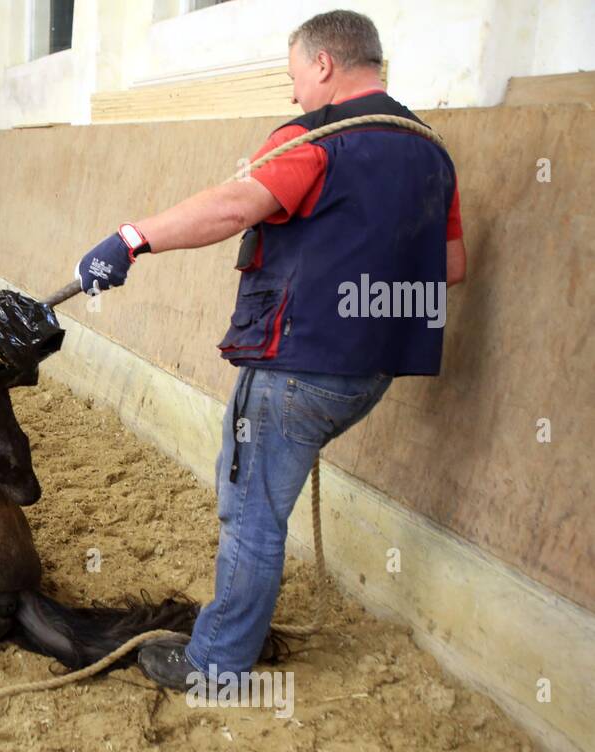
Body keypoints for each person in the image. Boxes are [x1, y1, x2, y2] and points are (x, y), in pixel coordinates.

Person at [72, 10, 467, 690]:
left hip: (296, 368)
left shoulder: (316, 137)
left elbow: (235, 206)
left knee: (252, 514)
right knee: (258, 497)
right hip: (370, 374)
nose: (292, 95)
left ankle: (216, 664)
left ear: (323, 65)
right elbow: (452, 266)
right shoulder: (431, 150)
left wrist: (132, 238)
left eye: (293, 78)